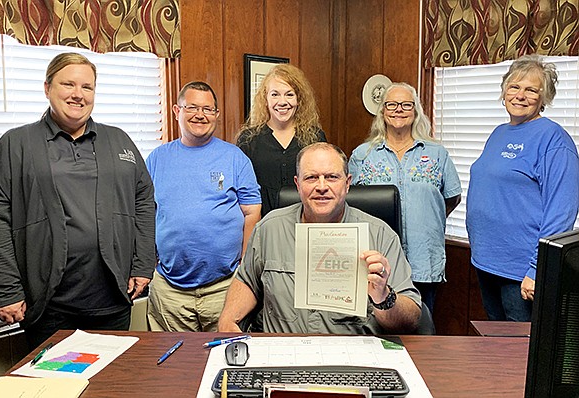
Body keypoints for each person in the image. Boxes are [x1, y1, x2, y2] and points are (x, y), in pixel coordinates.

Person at [0, 52, 156, 349]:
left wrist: (142, 264)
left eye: (87, 87)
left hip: (111, 301)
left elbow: (144, 200)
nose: (78, 95)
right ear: (47, 88)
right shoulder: (15, 144)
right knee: (52, 387)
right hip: (48, 306)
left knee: (110, 387)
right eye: (68, 84)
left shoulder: (119, 140)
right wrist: (7, 290)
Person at [218, 142, 421, 334]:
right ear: (298, 185)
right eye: (311, 178)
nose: (321, 186)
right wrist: (228, 319)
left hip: (352, 356)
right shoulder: (270, 228)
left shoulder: (380, 234)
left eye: (332, 177)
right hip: (284, 353)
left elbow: (411, 320)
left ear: (348, 183)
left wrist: (383, 296)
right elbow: (247, 281)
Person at [466, 54, 579, 322]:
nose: (520, 95)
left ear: (544, 97)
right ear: (504, 90)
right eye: (514, 86)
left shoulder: (554, 140)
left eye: (531, 89)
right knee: (496, 344)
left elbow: (561, 212)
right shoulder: (499, 133)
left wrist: (537, 269)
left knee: (520, 353)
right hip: (487, 262)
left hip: (521, 272)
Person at [146, 81, 262, 332]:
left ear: (217, 115)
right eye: (192, 107)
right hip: (170, 292)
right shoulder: (157, 159)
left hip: (224, 287)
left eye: (208, 109)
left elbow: (252, 211)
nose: (200, 115)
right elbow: (145, 213)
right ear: (177, 111)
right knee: (174, 365)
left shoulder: (235, 158)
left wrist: (245, 263)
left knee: (225, 362)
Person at [348, 83, 461, 313]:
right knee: (377, 325)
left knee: (421, 325)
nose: (399, 109)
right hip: (376, 259)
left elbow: (451, 198)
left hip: (423, 258)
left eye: (406, 104)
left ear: (416, 111)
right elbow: (351, 202)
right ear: (382, 112)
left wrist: (427, 217)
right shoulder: (363, 155)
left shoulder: (437, 154)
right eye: (391, 104)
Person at [236, 63, 326, 217]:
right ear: (265, 99)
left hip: (307, 222)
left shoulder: (315, 137)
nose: (282, 102)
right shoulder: (248, 139)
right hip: (263, 224)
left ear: (299, 99)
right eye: (275, 94)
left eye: (289, 94)